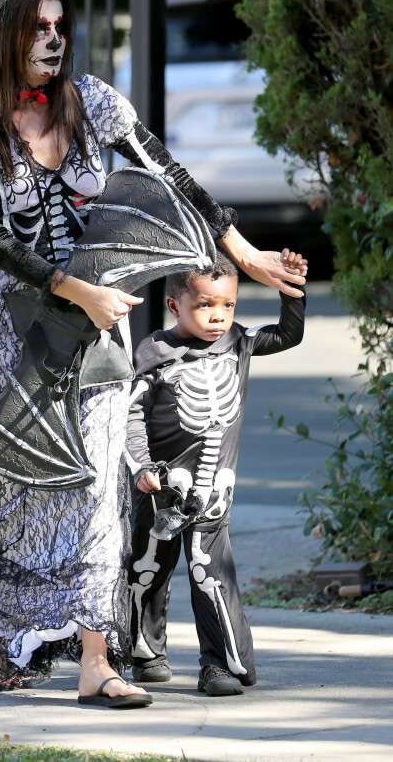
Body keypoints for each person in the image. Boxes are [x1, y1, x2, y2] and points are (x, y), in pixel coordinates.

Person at [0, 0, 307, 706]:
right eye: (37, 27)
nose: (53, 38)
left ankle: (95, 660)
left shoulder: (93, 105)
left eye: (60, 25)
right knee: (15, 495)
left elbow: (174, 178)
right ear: (7, 33)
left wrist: (245, 254)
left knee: (102, 485)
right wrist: (77, 288)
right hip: (10, 333)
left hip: (97, 328)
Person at [126, 250, 306, 696]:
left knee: (211, 571)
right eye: (205, 305)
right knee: (148, 567)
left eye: (227, 305)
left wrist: (292, 289)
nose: (218, 316)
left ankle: (220, 663)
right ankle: (145, 651)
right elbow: (130, 414)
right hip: (161, 484)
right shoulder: (154, 351)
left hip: (212, 488)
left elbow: (288, 335)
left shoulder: (239, 341)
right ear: (175, 306)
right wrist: (141, 466)